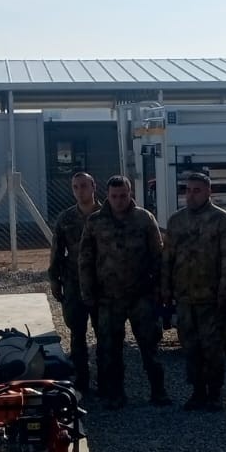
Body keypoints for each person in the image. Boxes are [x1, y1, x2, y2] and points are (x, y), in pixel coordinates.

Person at [78, 175, 168, 409]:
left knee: (150, 346)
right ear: (107, 195)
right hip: (109, 298)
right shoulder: (95, 222)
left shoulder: (144, 218)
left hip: (141, 295)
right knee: (110, 349)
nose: (119, 200)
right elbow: (85, 260)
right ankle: (116, 394)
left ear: (130, 194)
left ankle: (158, 392)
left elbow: (158, 256)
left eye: (123, 196)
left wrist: (160, 289)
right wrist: (88, 293)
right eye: (114, 196)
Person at [162, 170, 226, 410]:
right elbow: (168, 258)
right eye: (188, 190)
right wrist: (166, 289)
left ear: (208, 192)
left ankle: (214, 394)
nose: (191, 195)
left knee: (213, 348)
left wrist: (224, 293)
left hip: (212, 298)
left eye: (197, 190)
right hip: (185, 298)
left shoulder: (222, 220)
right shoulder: (176, 221)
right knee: (190, 347)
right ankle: (197, 392)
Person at [47, 171, 101, 393]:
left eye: (84, 186)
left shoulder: (106, 216)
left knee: (104, 334)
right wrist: (54, 279)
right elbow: (57, 251)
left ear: (93, 187)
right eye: (75, 187)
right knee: (77, 334)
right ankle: (81, 380)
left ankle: (107, 381)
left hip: (101, 284)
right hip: (74, 283)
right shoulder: (66, 218)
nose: (80, 191)